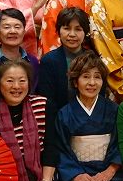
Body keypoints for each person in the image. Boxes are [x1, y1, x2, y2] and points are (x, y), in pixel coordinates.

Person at [53, 51, 123, 181]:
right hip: (77, 173)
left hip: (107, 174)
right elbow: (61, 150)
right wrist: (76, 176)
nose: (92, 83)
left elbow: (121, 144)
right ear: (76, 81)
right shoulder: (65, 114)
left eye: (97, 77)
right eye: (86, 77)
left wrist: (110, 171)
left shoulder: (113, 110)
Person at [37, 8, 91, 154]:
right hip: (59, 123)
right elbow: (47, 99)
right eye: (67, 28)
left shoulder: (92, 59)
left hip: (89, 124)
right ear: (58, 30)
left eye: (78, 29)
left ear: (85, 32)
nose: (72, 34)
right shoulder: (49, 60)